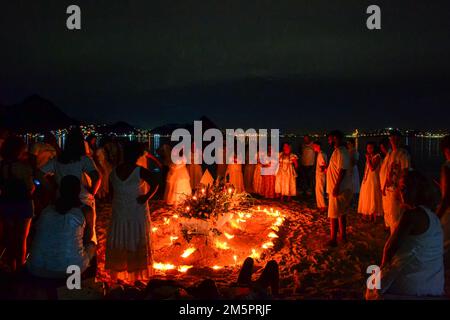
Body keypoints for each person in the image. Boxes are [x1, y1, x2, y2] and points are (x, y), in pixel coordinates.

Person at [366, 170, 443, 299]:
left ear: (418, 191)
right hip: (434, 284)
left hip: (410, 284)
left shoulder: (411, 215)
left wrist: (382, 268)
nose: (402, 192)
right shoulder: (433, 217)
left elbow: (390, 248)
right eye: (401, 188)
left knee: (371, 274)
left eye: (406, 188)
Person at [106, 141, 159, 283]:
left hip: (120, 211)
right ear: (137, 156)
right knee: (135, 237)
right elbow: (155, 182)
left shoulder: (114, 172)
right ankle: (135, 274)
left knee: (121, 237)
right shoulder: (139, 170)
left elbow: (111, 193)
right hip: (136, 210)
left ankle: (120, 272)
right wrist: (146, 197)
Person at [27, 175, 97, 278]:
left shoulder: (47, 210)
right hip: (69, 269)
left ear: (60, 190)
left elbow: (34, 233)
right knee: (92, 246)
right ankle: (82, 286)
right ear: (78, 190)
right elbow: (87, 238)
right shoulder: (85, 210)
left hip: (36, 267)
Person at [41, 128, 101, 242]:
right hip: (82, 199)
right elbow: (97, 177)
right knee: (86, 232)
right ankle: (83, 256)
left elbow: (38, 174)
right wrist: (92, 192)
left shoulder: (57, 160)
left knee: (64, 231)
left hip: (61, 198)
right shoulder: (84, 159)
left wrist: (52, 189)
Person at [0, 136, 35, 272]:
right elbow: (30, 187)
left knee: (9, 238)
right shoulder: (22, 167)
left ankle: (10, 264)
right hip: (23, 204)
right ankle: (20, 268)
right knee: (21, 239)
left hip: (6, 203)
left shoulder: (2, 165)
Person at [326, 130, 352, 247]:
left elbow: (342, 170)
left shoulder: (342, 152)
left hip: (339, 189)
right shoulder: (338, 151)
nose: (328, 141)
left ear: (336, 138)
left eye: (330, 138)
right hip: (338, 187)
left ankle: (333, 239)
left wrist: (336, 187)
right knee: (341, 213)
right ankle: (343, 236)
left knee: (334, 214)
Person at [382, 130, 411, 233]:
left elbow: (405, 171)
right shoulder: (391, 154)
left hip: (397, 189)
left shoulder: (403, 154)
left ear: (400, 139)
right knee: (390, 214)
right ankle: (392, 235)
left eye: (396, 138)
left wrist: (400, 189)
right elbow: (388, 171)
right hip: (389, 189)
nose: (394, 140)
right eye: (391, 138)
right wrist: (384, 186)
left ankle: (395, 239)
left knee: (396, 216)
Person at [358, 142, 383, 222]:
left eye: (371, 147)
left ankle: (375, 215)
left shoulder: (377, 156)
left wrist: (368, 159)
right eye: (368, 147)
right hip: (367, 178)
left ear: (374, 148)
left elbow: (372, 168)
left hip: (374, 179)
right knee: (367, 196)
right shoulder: (370, 156)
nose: (369, 149)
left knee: (373, 196)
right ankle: (369, 215)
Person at [437, 135, 450, 258]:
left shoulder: (446, 167)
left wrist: (437, 216)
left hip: (448, 212)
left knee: (444, 246)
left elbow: (446, 198)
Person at [379, 138, 391, 230]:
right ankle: (387, 224)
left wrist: (384, 187)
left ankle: (389, 225)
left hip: (387, 186)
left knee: (388, 206)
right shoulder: (386, 156)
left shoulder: (390, 156)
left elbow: (389, 173)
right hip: (383, 185)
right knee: (386, 206)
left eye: (383, 147)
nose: (382, 149)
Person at [313, 141, 327, 212]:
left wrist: (322, 171)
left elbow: (323, 166)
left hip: (320, 175)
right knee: (318, 190)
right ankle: (320, 205)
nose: (313, 147)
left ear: (318, 146)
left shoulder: (321, 154)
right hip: (320, 175)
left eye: (314, 146)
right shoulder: (321, 154)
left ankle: (323, 206)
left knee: (319, 190)